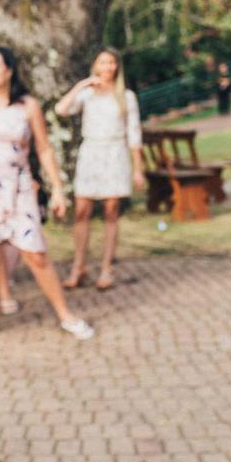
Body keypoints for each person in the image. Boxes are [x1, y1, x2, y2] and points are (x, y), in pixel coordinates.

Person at [0, 47, 94, 343]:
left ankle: (65, 315)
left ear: (9, 70)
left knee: (36, 254)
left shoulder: (27, 106)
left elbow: (44, 149)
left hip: (19, 188)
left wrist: (57, 189)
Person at [55, 48, 144, 291]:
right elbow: (61, 109)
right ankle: (79, 266)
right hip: (91, 153)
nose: (107, 67)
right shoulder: (87, 95)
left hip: (115, 153)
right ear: (95, 65)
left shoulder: (126, 96)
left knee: (111, 211)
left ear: (117, 66)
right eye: (102, 62)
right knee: (82, 210)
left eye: (111, 62)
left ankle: (106, 268)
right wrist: (82, 85)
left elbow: (134, 133)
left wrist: (138, 168)